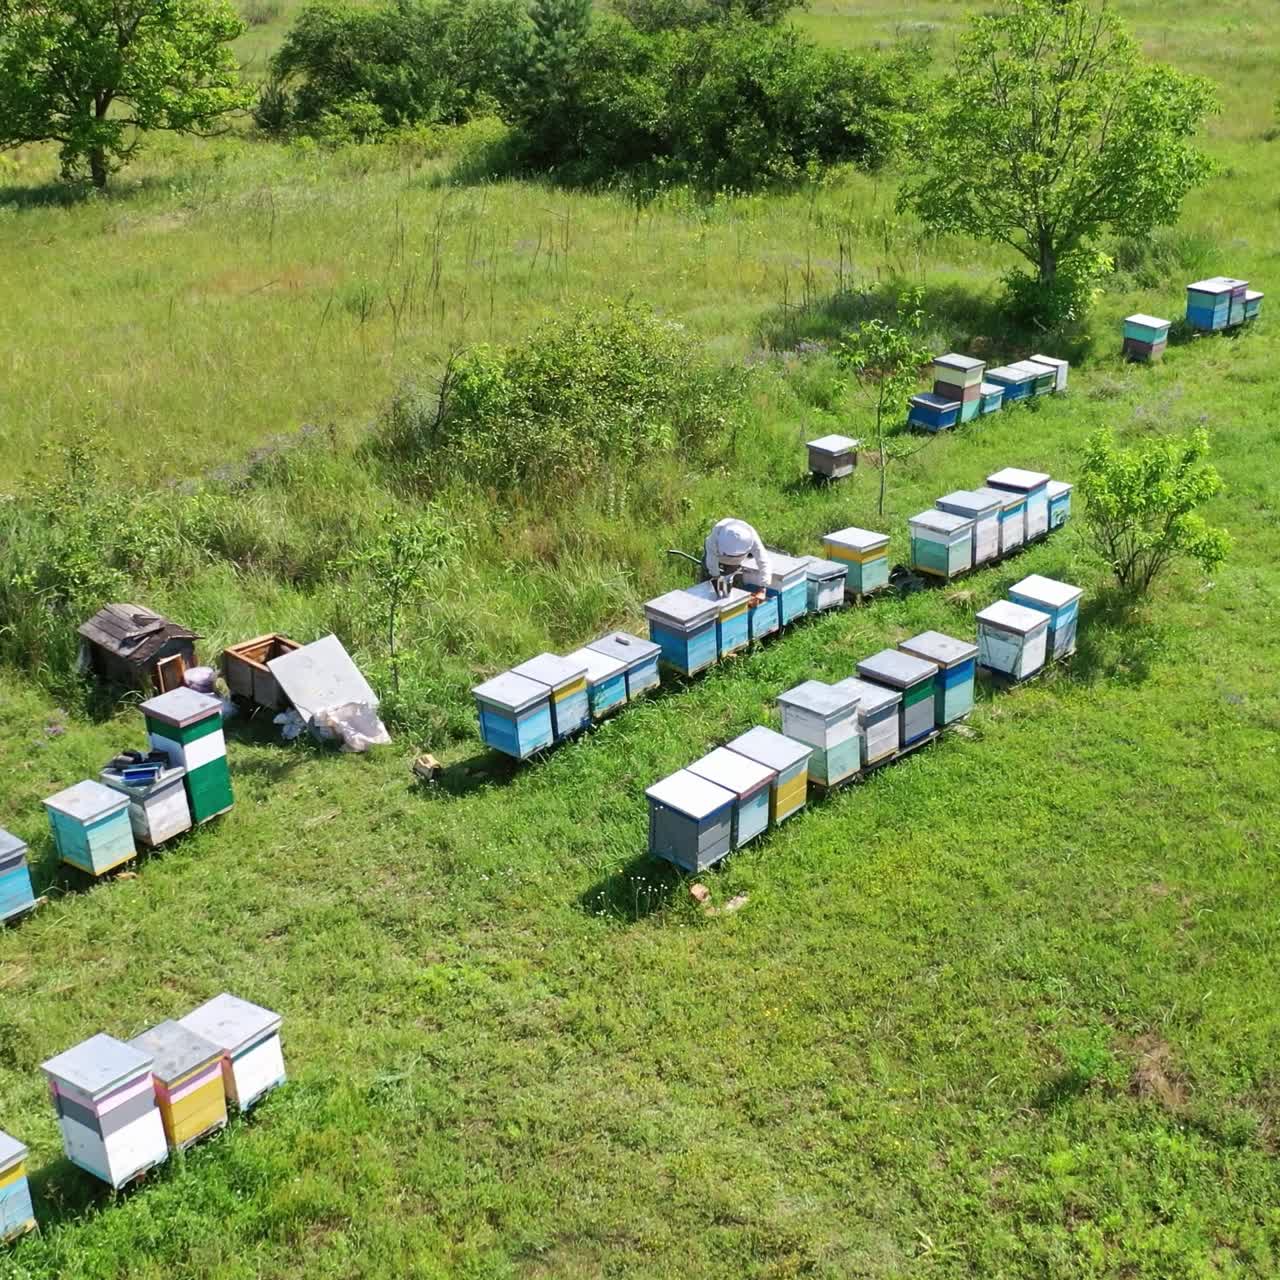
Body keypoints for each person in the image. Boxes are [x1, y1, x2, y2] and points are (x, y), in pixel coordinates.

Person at [703, 518, 770, 601]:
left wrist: (762, 588)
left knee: (732, 585)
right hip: (717, 558)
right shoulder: (714, 538)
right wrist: (716, 577)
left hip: (735, 564)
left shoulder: (751, 537)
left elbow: (763, 560)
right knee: (707, 584)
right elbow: (711, 560)